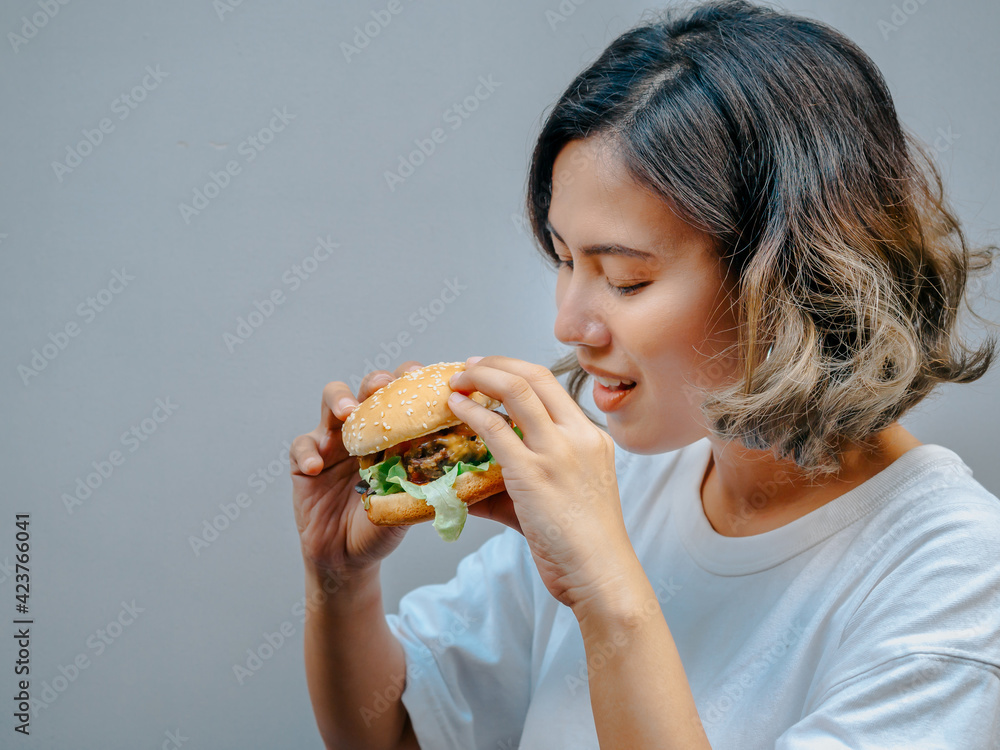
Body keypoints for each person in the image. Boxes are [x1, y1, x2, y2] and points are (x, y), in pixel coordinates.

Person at [289, 1, 1000, 747]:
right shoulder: (615, 483)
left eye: (626, 279)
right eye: (564, 260)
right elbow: (398, 736)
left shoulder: (958, 585)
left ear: (797, 281)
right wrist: (338, 584)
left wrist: (608, 594)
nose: (569, 324)